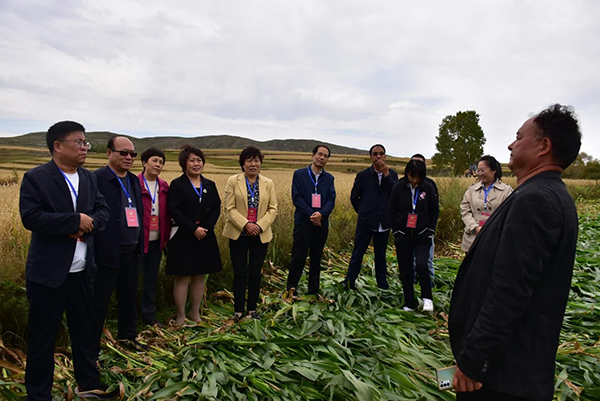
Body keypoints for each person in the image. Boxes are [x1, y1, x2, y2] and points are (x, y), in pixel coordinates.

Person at [449, 104, 581, 400]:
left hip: (502, 377)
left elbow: (508, 292)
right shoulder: (545, 194)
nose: (511, 144)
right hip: (509, 370)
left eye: (519, 137)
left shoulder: (536, 200)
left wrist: (473, 361)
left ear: (544, 146)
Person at [19, 121, 120, 400]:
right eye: (79, 142)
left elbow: (102, 210)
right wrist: (72, 222)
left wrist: (89, 224)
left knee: (84, 333)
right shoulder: (36, 178)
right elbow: (31, 217)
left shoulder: (88, 178)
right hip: (48, 274)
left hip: (83, 271)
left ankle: (89, 385)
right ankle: (38, 395)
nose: (85, 147)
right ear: (58, 146)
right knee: (43, 338)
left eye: (86, 142)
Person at [93, 136, 145, 354]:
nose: (129, 158)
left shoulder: (133, 180)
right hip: (106, 253)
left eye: (133, 154)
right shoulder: (96, 179)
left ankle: (128, 339)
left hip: (131, 252)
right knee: (98, 303)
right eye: (123, 153)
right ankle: (91, 346)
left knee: (128, 298)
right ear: (109, 153)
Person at [167, 145, 222, 325]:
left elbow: (216, 208)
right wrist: (193, 229)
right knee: (183, 276)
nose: (196, 163)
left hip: (205, 235)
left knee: (200, 276)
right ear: (184, 164)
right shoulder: (177, 185)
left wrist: (205, 227)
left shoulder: (210, 185)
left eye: (199, 160)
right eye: (192, 160)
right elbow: (175, 211)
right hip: (184, 236)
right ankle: (181, 314)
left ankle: (195, 312)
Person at [223, 146, 278, 321]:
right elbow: (229, 208)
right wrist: (246, 224)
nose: (253, 164)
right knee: (240, 273)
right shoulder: (233, 181)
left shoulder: (268, 183)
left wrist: (259, 226)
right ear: (243, 163)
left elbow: (273, 209)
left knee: (255, 273)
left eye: (256, 160)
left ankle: (252, 310)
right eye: (249, 160)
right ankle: (238, 310)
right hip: (238, 234)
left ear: (260, 163)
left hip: (260, 235)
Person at [343, 144, 398, 290]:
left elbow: (395, 196)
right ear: (371, 157)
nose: (378, 157)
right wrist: (363, 212)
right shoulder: (363, 175)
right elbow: (354, 197)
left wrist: (386, 175)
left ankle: (382, 285)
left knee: (381, 255)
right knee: (358, 253)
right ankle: (349, 283)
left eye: (381, 154)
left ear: (385, 156)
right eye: (375, 154)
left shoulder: (392, 175)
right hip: (366, 222)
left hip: (384, 222)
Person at [285, 145, 336, 297]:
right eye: (319, 154)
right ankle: (291, 289)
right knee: (298, 257)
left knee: (316, 258)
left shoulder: (329, 178)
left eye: (325, 156)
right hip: (303, 223)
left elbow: (331, 200)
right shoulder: (299, 175)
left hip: (322, 224)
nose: (322, 158)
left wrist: (321, 214)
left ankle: (313, 291)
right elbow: (297, 197)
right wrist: (312, 215)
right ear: (312, 155)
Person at [389, 160, 439, 312]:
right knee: (405, 270)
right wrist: (396, 231)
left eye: (418, 177)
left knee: (422, 265)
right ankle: (409, 302)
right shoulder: (398, 187)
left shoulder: (428, 188)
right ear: (407, 173)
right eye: (412, 176)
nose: (415, 180)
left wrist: (430, 230)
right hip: (403, 234)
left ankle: (427, 297)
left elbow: (434, 211)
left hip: (423, 234)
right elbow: (391, 210)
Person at [137, 148, 171, 326]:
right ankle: (129, 316)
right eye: (154, 160)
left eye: (161, 162)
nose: (158, 165)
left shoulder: (164, 186)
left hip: (156, 242)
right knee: (131, 281)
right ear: (144, 162)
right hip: (137, 243)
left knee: (151, 281)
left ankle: (148, 316)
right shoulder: (134, 184)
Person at [460, 155, 513, 252]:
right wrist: (474, 227)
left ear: (494, 170)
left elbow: (510, 214)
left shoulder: (506, 191)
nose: (480, 173)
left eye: (483, 170)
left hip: (495, 239)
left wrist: (493, 230)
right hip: (472, 238)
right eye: (478, 170)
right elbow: (465, 211)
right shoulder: (471, 190)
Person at [410, 154, 438, 281]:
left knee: (427, 260)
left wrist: (431, 229)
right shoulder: (402, 184)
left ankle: (429, 284)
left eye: (420, 163)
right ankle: (412, 283)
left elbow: (434, 209)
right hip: (408, 230)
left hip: (425, 229)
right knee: (410, 260)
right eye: (414, 162)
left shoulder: (430, 184)